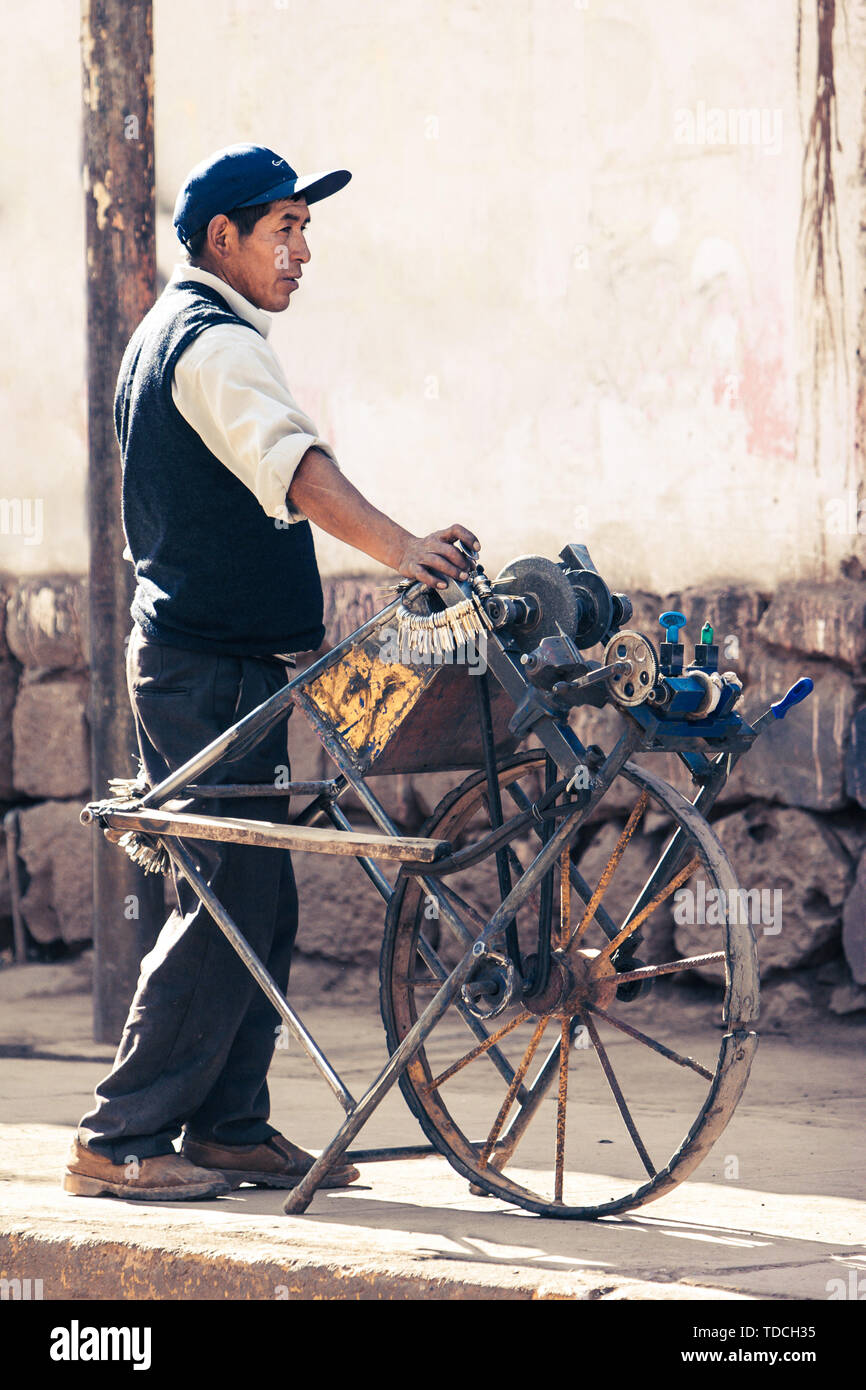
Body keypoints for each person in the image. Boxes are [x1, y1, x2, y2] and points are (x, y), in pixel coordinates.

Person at [64, 143, 480, 1201]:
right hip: (204, 664)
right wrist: (402, 550)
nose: (301, 254)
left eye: (306, 231)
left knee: (256, 888)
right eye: (283, 230)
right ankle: (117, 1141)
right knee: (222, 895)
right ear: (223, 238)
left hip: (214, 659)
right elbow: (294, 469)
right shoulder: (210, 345)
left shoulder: (177, 335)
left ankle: (226, 1124)